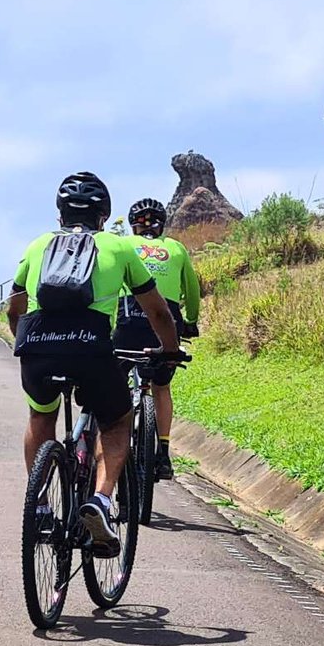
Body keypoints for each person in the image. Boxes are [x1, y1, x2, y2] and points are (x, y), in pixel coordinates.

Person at [8, 173, 183, 557]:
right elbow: (156, 310)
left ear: (60, 215)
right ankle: (100, 501)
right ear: (104, 217)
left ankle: (38, 506)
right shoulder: (119, 248)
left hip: (37, 346)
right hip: (91, 349)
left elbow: (14, 305)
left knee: (40, 416)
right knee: (117, 420)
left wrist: (22, 340)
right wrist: (169, 350)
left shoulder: (38, 245)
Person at [114, 198, 201, 482]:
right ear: (162, 223)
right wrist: (189, 322)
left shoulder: (124, 247)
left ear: (132, 225)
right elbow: (192, 289)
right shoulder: (176, 248)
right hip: (168, 322)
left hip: (130, 320)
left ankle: (117, 440)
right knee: (161, 387)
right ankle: (163, 452)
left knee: (117, 383)